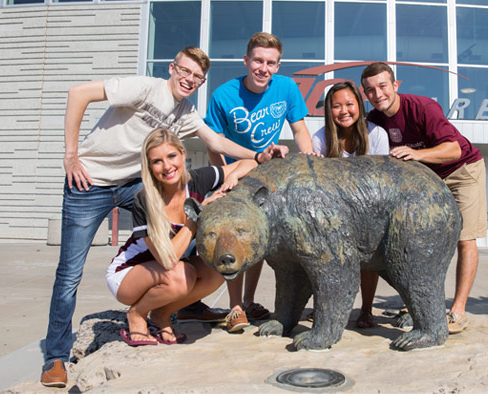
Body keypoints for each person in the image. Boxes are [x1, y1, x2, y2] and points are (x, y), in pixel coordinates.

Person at [41, 46, 286, 388]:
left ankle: (179, 303)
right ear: (172, 68)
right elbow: (78, 93)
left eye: (197, 77)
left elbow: (216, 140)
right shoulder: (145, 88)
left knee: (185, 243)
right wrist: (71, 155)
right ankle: (54, 357)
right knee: (69, 274)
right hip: (90, 181)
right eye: (185, 71)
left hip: (135, 183)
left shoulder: (185, 113)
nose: (190, 80)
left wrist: (259, 155)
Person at [360, 62, 486, 335]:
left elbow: (453, 149)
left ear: (395, 85)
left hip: (461, 170)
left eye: (382, 86)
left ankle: (458, 310)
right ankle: (412, 304)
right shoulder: (374, 120)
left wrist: (419, 154)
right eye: (370, 90)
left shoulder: (423, 107)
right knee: (413, 241)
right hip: (426, 180)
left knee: (465, 238)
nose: (377, 93)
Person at [204, 32, 314, 332]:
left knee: (256, 241)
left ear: (277, 66)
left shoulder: (287, 88)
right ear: (246, 60)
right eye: (258, 61)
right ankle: (235, 307)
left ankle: (249, 301)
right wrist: (222, 178)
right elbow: (214, 142)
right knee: (233, 241)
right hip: (235, 175)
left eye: (270, 63)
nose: (263, 68)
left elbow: (300, 129)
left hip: (265, 175)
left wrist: (310, 166)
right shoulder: (224, 95)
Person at [107, 128, 257, 347]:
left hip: (168, 271)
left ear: (182, 154)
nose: (167, 166)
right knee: (181, 274)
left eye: (171, 156)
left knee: (217, 270)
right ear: (149, 166)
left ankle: (162, 314)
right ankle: (137, 314)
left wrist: (232, 176)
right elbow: (168, 260)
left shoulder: (196, 181)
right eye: (157, 161)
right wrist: (195, 219)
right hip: (129, 275)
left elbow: (250, 162)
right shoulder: (144, 200)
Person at [310, 81, 389, 328]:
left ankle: (366, 309)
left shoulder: (377, 134)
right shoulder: (320, 138)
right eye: (336, 106)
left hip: (368, 210)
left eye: (349, 104)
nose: (344, 111)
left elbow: (381, 181)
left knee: (368, 259)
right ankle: (324, 308)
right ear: (328, 110)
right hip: (333, 212)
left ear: (359, 106)